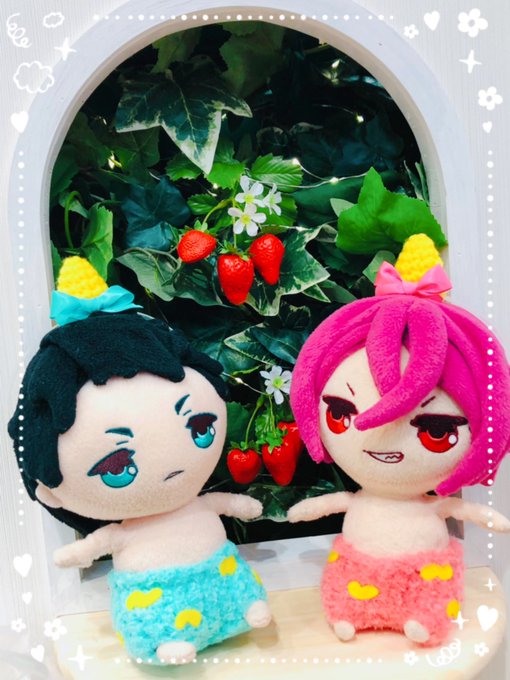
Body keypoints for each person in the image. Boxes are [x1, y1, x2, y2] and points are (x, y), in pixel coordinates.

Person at [9, 257, 271, 665]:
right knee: (153, 617)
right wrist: (76, 555)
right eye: (117, 467)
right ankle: (164, 641)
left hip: (220, 572)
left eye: (200, 427)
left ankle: (246, 609)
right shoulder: (125, 531)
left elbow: (228, 505)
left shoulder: (195, 504)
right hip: (153, 592)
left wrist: (240, 505)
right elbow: (92, 547)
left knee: (237, 589)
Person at [288, 240, 510, 646]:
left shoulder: (432, 505)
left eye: (435, 432)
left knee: (433, 590)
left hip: (426, 572)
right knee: (345, 587)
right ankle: (349, 614)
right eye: (341, 415)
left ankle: (424, 619)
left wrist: (485, 516)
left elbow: (461, 509)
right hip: (357, 571)